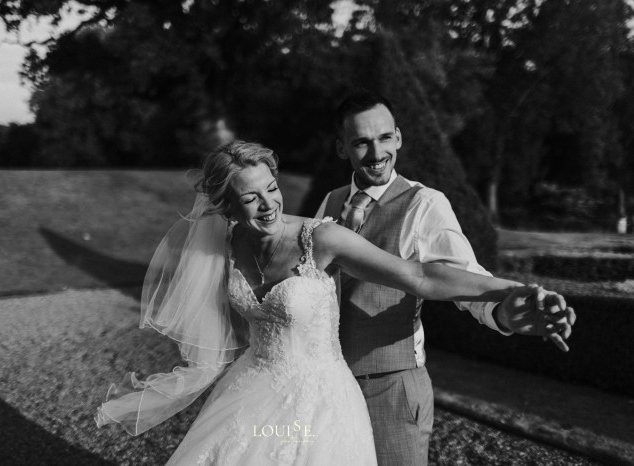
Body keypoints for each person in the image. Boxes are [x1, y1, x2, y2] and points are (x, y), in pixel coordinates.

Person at [96, 140, 573, 465]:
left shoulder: (320, 239)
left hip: (322, 401)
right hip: (250, 391)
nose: (269, 204)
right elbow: (227, 330)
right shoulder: (220, 248)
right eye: (251, 198)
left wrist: (509, 290)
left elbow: (420, 276)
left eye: (272, 189)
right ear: (227, 207)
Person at [316, 89, 577, 466]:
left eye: (385, 137)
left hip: (389, 390)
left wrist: (504, 312)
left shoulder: (424, 204)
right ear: (342, 148)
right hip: (329, 385)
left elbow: (462, 279)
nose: (376, 153)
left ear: (399, 137)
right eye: (361, 142)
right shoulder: (329, 202)